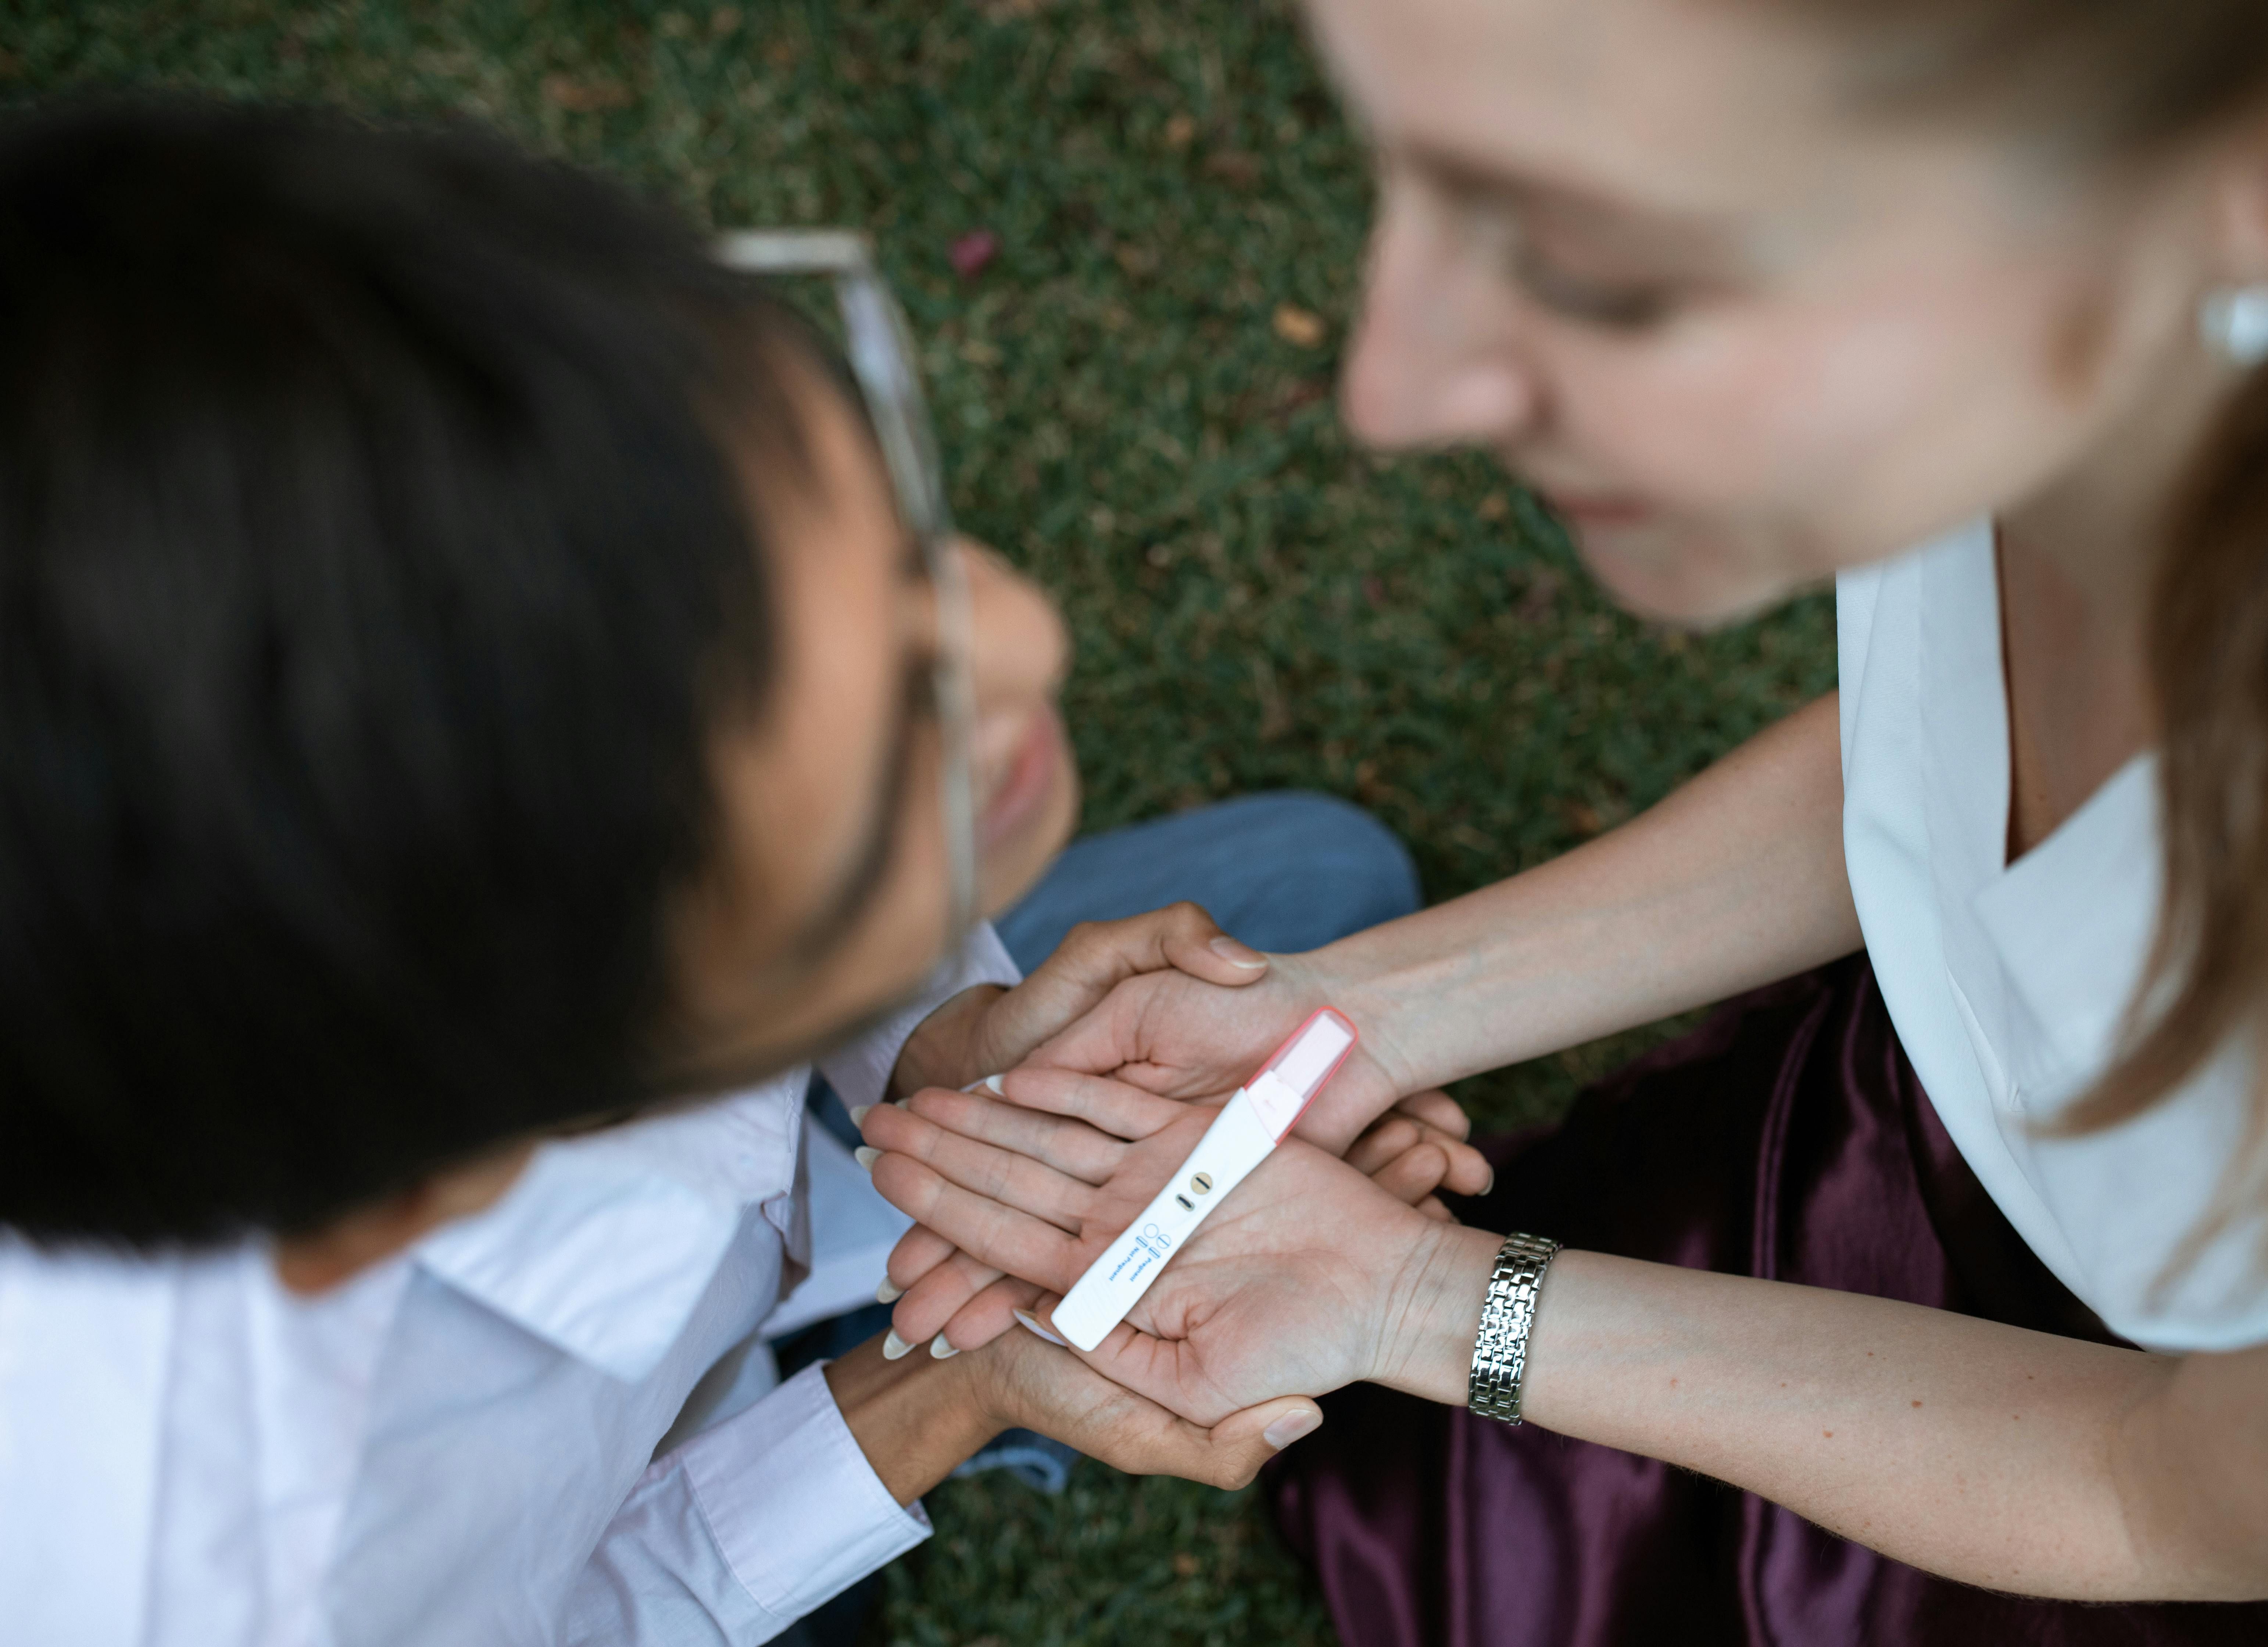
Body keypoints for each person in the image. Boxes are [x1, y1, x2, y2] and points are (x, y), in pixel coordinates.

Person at [855, 0, 2268, 1639]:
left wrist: (1428, 1303)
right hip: (1926, 1154)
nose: (1391, 388)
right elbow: (1931, 755)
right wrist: (1352, 1025)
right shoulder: (2115, 313)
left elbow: (2151, 1488)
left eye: (1601, 264)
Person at [0, 99, 1487, 1647]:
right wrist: (957, 1382)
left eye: (895, 557)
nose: (1025, 634)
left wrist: (953, 1044)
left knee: (1320, 879)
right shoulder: (234, 1582)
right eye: (868, 784)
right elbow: (618, 1607)